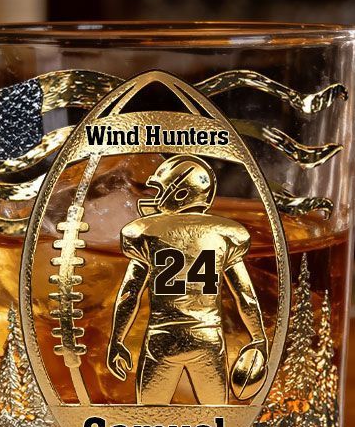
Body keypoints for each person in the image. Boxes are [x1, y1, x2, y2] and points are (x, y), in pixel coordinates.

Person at [106, 156, 267, 405]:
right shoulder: (225, 235)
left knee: (149, 416)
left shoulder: (146, 232)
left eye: (161, 190)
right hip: (207, 336)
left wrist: (117, 340)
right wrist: (258, 336)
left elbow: (129, 293)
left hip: (162, 338)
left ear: (180, 193)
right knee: (217, 415)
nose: (156, 198)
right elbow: (245, 295)